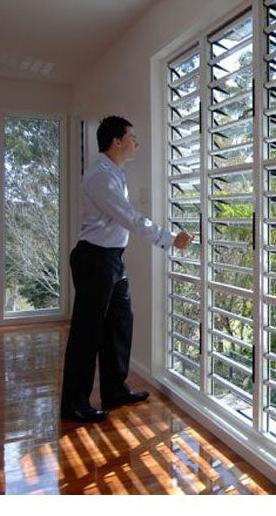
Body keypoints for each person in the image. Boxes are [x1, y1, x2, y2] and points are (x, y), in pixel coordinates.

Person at [60, 116, 192, 423]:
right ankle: (74, 404)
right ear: (116, 141)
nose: (137, 143)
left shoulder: (115, 173)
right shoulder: (100, 176)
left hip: (111, 258)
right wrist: (170, 238)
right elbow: (129, 218)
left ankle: (115, 390)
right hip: (95, 259)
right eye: (132, 137)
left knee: (120, 322)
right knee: (87, 332)